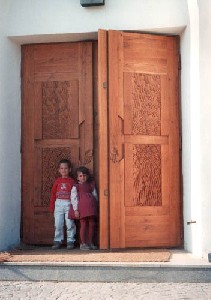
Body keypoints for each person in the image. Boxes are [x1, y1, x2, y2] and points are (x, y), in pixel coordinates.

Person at [69, 166, 98, 250]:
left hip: (91, 207)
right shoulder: (76, 186)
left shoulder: (91, 185)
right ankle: (83, 243)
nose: (83, 177)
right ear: (78, 177)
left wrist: (96, 204)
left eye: (85, 175)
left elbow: (95, 195)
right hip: (82, 208)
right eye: (81, 176)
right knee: (83, 224)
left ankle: (90, 242)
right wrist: (76, 210)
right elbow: (73, 198)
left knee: (92, 224)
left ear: (88, 176)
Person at [49, 159, 76, 250]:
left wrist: (75, 207)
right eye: (62, 168)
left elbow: (75, 195)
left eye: (66, 168)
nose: (64, 170)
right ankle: (57, 240)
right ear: (59, 170)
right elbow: (53, 194)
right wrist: (52, 206)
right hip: (58, 204)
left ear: (70, 169)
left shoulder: (72, 181)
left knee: (70, 223)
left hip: (69, 204)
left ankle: (70, 240)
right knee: (58, 223)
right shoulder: (57, 181)